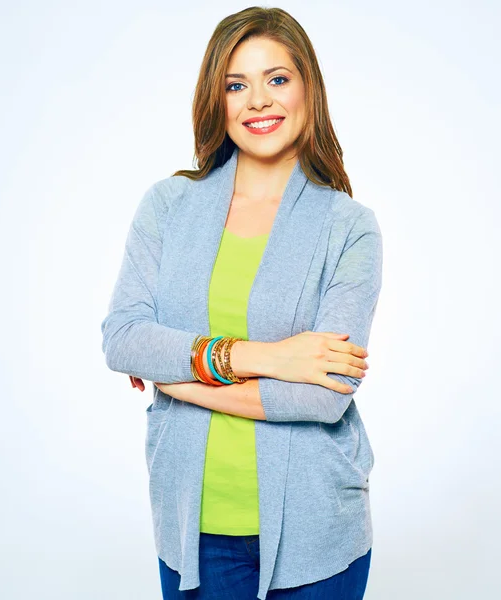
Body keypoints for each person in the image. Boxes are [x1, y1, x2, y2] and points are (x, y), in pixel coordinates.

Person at [101, 6, 383, 599]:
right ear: (217, 98)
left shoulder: (350, 227)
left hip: (318, 533)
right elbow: (124, 337)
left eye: (277, 78)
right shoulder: (169, 205)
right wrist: (267, 357)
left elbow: (322, 395)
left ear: (308, 88)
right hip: (192, 530)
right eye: (237, 84)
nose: (258, 100)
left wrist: (175, 376)